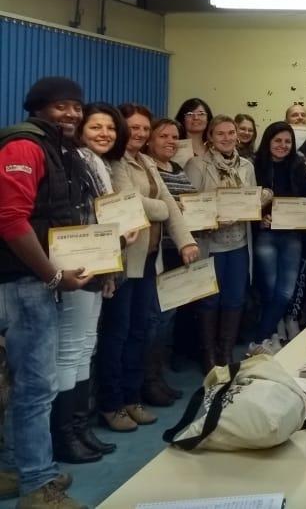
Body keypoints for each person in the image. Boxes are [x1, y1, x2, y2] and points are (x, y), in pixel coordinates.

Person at [0, 77, 95, 509]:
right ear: (39, 108)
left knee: (20, 383)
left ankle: (14, 469)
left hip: (34, 280)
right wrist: (53, 275)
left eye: (76, 106)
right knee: (35, 386)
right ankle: (37, 486)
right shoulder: (25, 147)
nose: (72, 114)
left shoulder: (58, 149)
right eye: (61, 106)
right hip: (24, 283)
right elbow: (11, 221)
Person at [98, 104, 200, 433]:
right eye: (134, 128)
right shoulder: (114, 162)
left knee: (139, 331)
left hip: (148, 259)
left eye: (144, 128)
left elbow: (169, 202)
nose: (140, 134)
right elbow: (135, 203)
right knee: (117, 334)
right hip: (124, 262)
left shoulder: (145, 161)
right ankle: (111, 404)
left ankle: (132, 398)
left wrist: (185, 241)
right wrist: (162, 208)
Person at [52, 103, 128, 465]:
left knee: (86, 345)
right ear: (81, 129)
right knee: (70, 349)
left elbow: (107, 215)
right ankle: (64, 436)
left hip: (98, 263)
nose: (104, 133)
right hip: (75, 264)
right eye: (96, 126)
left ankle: (80, 429)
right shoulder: (72, 160)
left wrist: (110, 270)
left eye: (110, 128)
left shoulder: (98, 164)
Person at [185, 115, 256, 372]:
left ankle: (225, 352)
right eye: (220, 134)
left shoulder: (246, 165)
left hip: (238, 243)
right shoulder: (196, 165)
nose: (227, 138)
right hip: (209, 243)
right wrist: (214, 218)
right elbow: (190, 207)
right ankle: (208, 355)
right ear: (211, 138)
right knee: (209, 300)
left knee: (235, 299)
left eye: (231, 133)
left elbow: (251, 199)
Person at [143, 118, 194, 406]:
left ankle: (157, 376)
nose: (170, 141)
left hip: (179, 250)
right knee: (153, 317)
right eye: (163, 136)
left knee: (168, 316)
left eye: (175, 137)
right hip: (155, 252)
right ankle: (148, 380)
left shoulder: (177, 169)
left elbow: (189, 206)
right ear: (150, 139)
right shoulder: (148, 169)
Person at [251, 122, 306, 353]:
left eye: (287, 141)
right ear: (268, 141)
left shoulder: (299, 166)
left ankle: (259, 339)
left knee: (285, 293)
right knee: (269, 291)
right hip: (266, 236)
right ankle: (270, 336)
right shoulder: (254, 166)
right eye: (278, 140)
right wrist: (258, 218)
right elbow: (245, 202)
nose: (283, 145)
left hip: (292, 237)